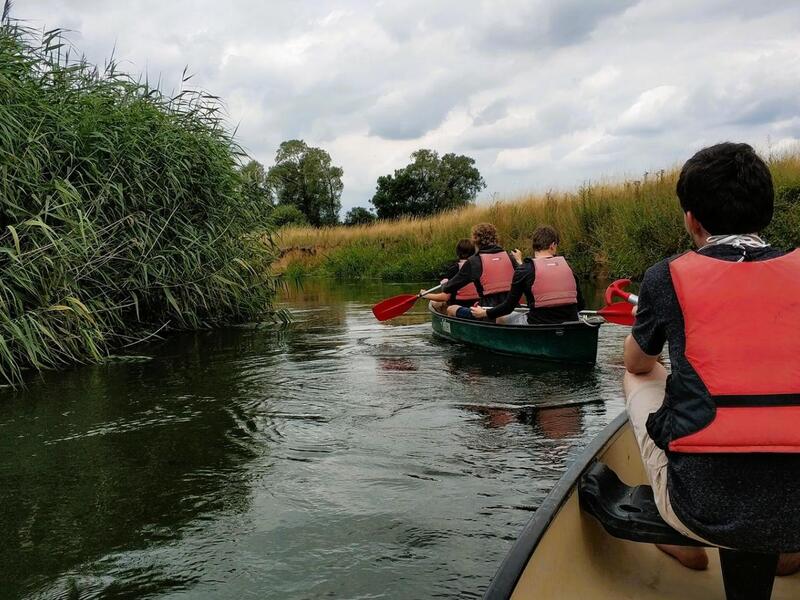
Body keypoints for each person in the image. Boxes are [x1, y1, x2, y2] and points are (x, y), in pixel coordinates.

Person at [622, 142, 800, 574]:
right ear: (767, 213)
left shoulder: (665, 277)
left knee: (638, 376)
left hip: (701, 510)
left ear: (691, 219)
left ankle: (684, 539)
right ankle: (787, 549)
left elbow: (636, 363)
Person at [470, 225, 583, 324]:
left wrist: (485, 313)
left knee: (501, 318)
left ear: (534, 246)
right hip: (570, 322)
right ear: (552, 245)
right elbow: (581, 305)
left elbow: (508, 307)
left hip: (538, 323)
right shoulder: (568, 266)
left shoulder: (524, 270)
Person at [438, 223, 519, 319]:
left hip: (485, 312)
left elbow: (450, 287)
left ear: (475, 240)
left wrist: (444, 285)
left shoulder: (474, 262)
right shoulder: (510, 258)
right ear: (496, 238)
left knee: (451, 309)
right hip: (513, 309)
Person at [422, 239, 478, 313]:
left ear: (458, 252)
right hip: (477, 306)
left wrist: (426, 295)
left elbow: (445, 297)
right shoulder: (479, 266)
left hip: (458, 306)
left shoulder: (454, 269)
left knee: (432, 303)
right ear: (474, 252)